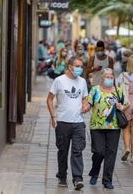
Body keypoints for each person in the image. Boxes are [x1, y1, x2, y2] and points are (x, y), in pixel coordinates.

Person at [46, 56, 89, 191]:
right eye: (77, 66)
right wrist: (53, 117)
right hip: (62, 122)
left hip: (78, 123)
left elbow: (85, 99)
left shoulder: (82, 82)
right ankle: (62, 176)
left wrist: (86, 106)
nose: (79, 69)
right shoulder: (59, 81)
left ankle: (77, 179)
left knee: (77, 151)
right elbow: (49, 99)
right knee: (63, 151)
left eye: (81, 66)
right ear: (70, 66)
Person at [85, 68, 129, 190]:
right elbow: (88, 104)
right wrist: (83, 109)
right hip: (96, 126)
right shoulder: (95, 90)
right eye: (107, 77)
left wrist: (122, 107)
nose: (109, 79)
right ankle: (95, 171)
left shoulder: (119, 91)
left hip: (114, 126)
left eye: (111, 77)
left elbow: (127, 104)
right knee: (99, 152)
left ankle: (107, 179)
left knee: (111, 153)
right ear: (102, 78)